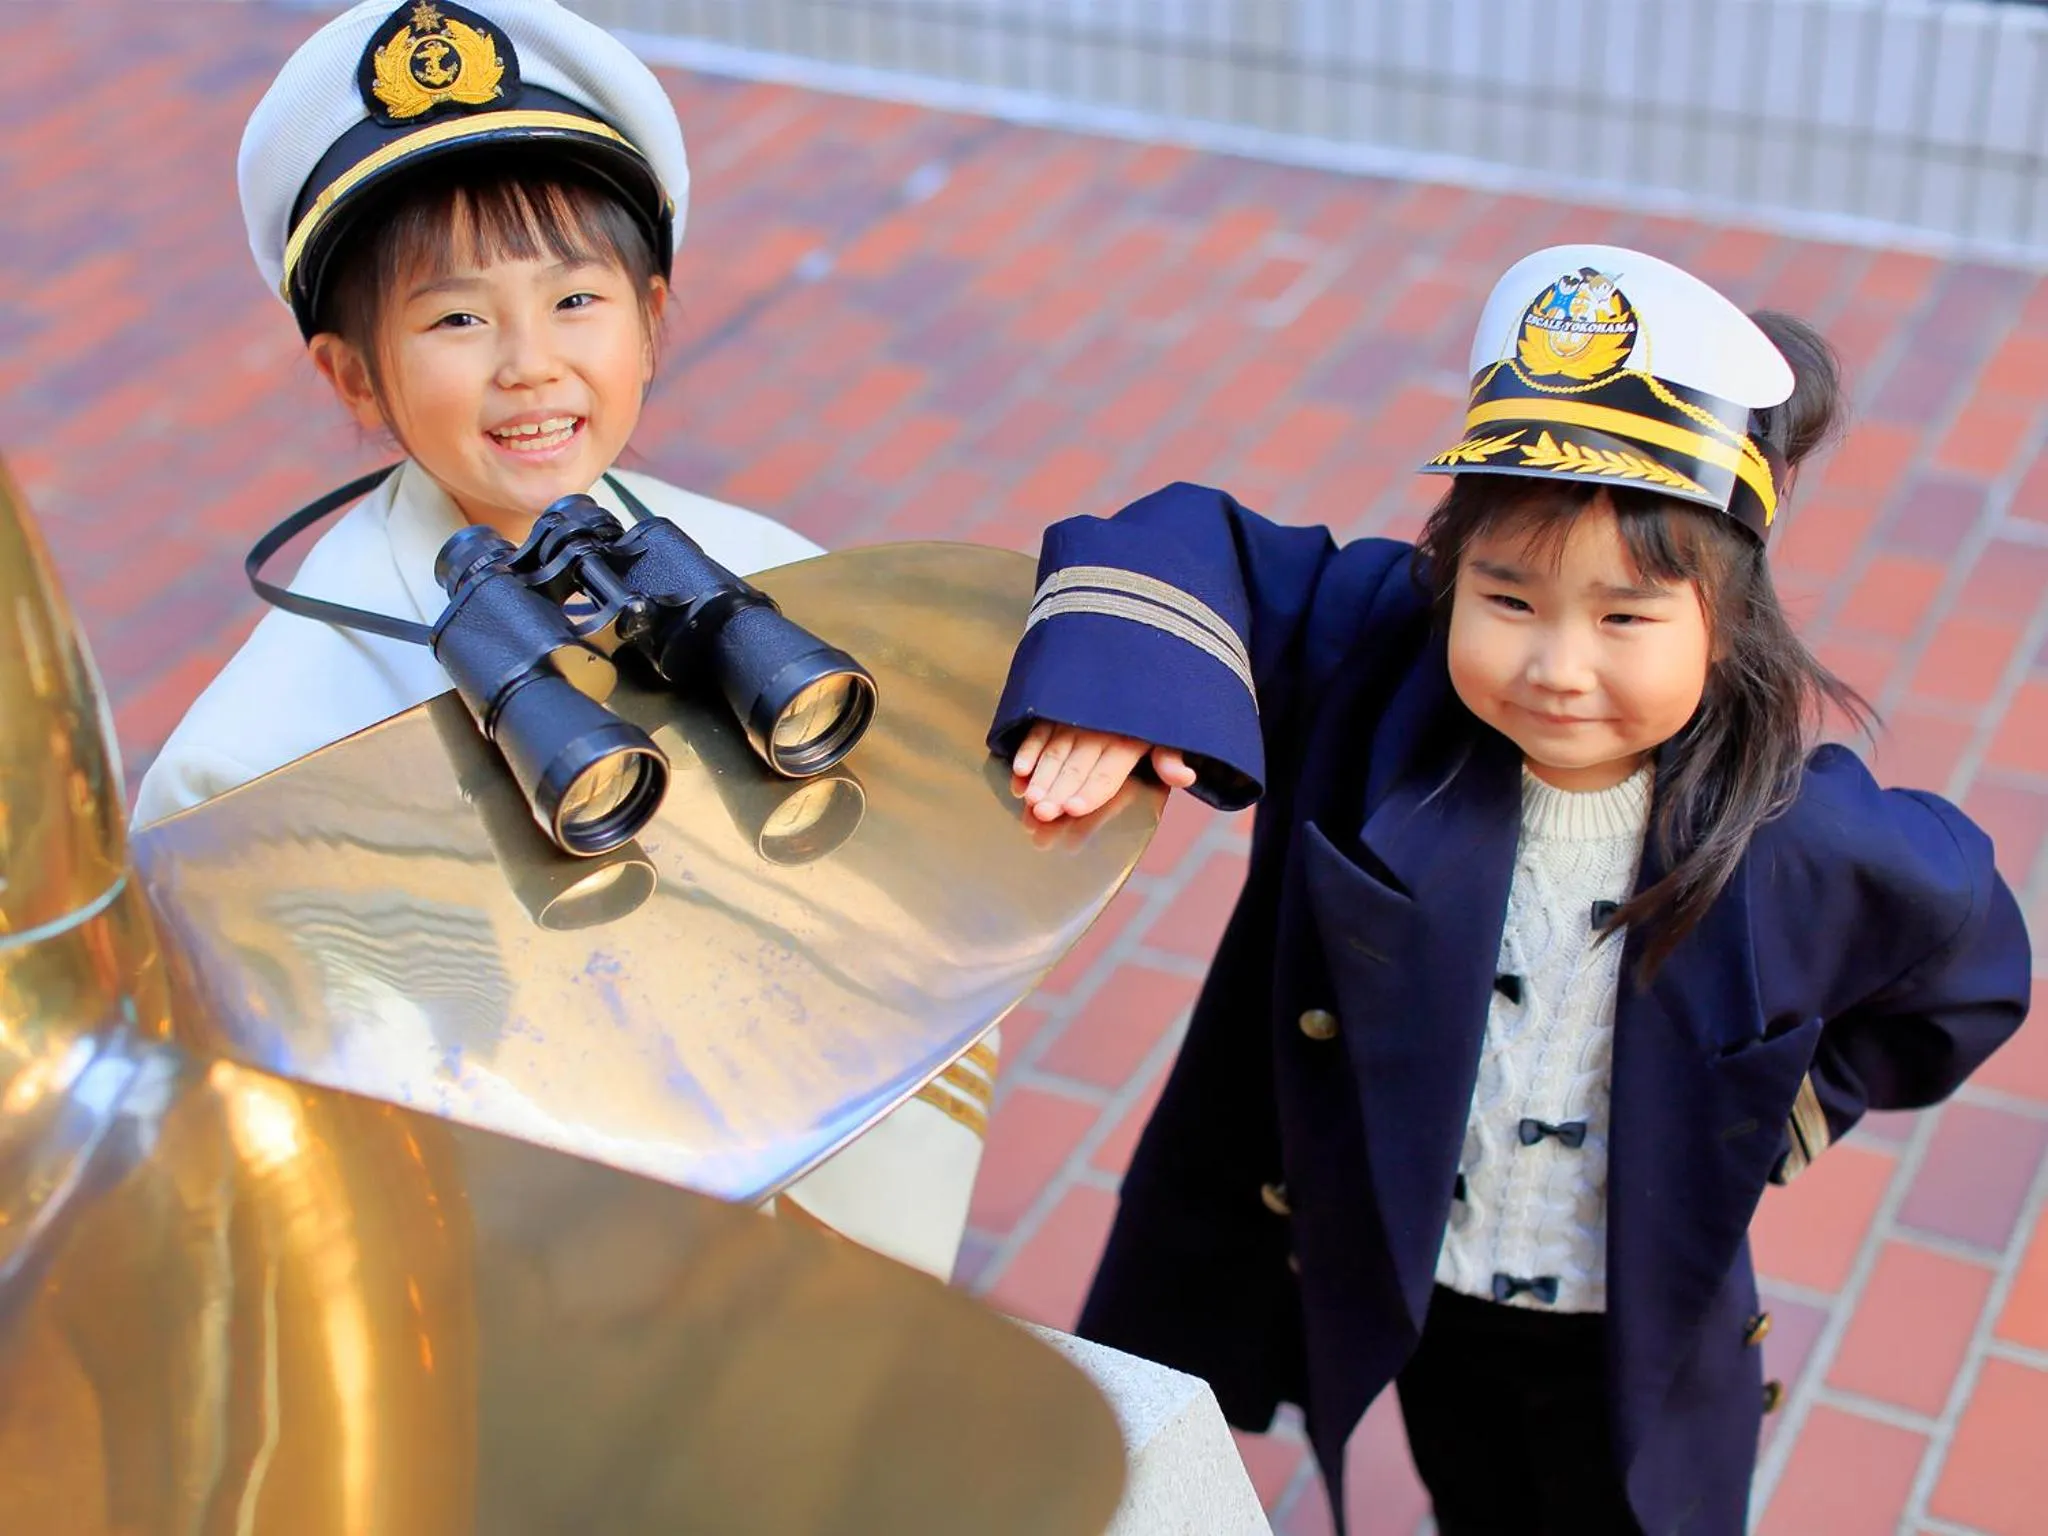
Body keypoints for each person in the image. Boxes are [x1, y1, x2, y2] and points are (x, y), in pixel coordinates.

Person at [988, 244, 2033, 1533]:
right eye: (1507, 595)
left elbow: (1970, 963)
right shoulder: (1381, 669)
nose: (1554, 663)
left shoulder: (1801, 832)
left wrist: (1795, 1111)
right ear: (1445, 572)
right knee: (1468, 1487)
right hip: (1423, 1278)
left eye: (1625, 618)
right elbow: (1190, 543)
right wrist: (1114, 694)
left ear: (1728, 621)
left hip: (1639, 1316)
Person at [132, 0, 991, 1283]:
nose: (530, 366)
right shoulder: (252, 759)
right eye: (456, 320)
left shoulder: (773, 578)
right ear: (351, 377)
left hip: (786, 1242)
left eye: (576, 299)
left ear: (650, 317)